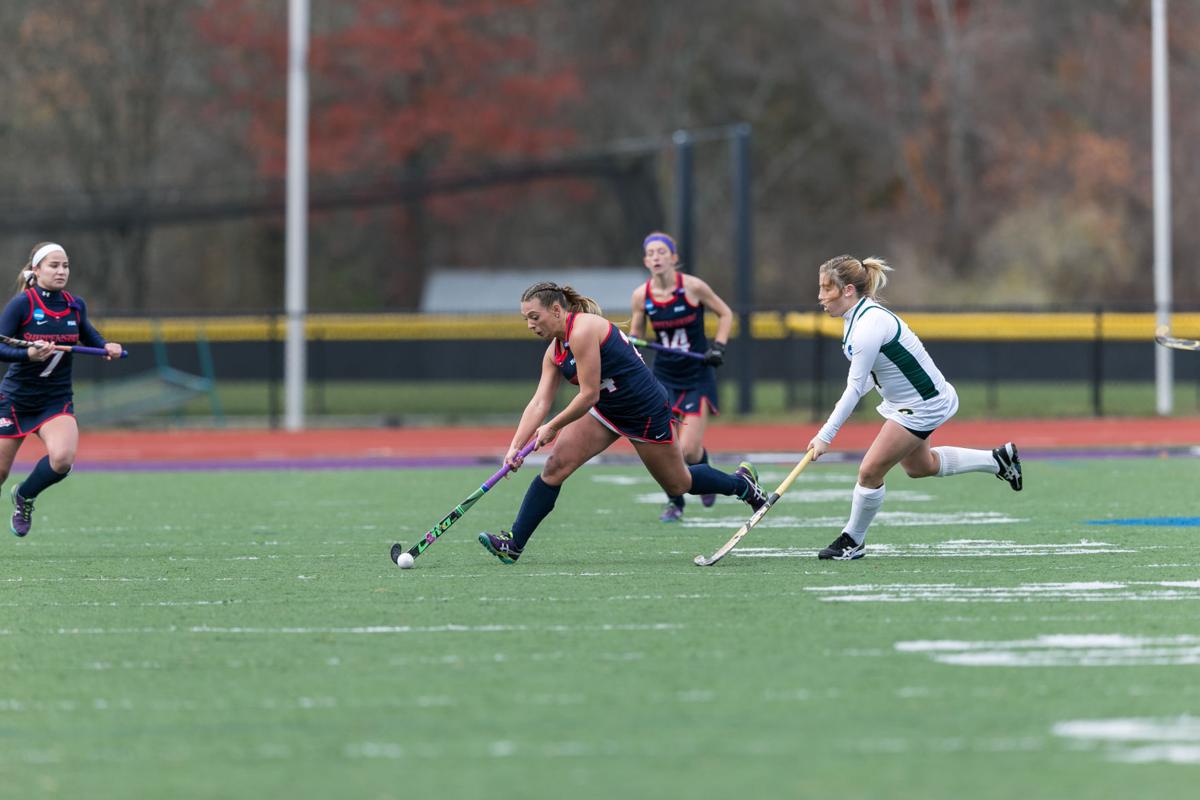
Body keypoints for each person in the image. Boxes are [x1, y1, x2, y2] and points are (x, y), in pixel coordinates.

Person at [478, 281, 766, 564]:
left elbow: (588, 394)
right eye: (525, 318)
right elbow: (539, 402)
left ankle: (741, 485)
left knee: (679, 484)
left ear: (556, 310)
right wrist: (515, 447)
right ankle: (514, 544)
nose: (529, 324)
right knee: (554, 467)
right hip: (607, 411)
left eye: (534, 316)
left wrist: (553, 426)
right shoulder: (555, 351)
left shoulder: (583, 330)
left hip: (644, 411)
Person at [805, 254, 1022, 561]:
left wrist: (825, 435)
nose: (820, 297)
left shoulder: (868, 325)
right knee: (920, 467)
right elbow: (870, 378)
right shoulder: (854, 320)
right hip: (906, 402)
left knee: (869, 471)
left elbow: (855, 388)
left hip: (923, 403)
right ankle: (998, 460)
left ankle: (852, 541)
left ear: (849, 290)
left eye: (827, 289)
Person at [0, 242, 124, 537]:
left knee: (62, 459)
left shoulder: (73, 304)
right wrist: (26, 355)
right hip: (16, 400)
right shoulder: (23, 304)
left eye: (65, 265)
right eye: (54, 265)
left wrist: (106, 346)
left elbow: (89, 335)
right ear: (36, 270)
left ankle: (25, 496)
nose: (61, 271)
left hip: (55, 399)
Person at [629, 231, 733, 522]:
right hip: (663, 378)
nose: (656, 257)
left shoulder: (693, 287)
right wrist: (630, 343)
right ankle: (675, 503)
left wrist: (718, 347)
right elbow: (637, 335)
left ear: (674, 257)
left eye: (662, 252)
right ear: (646, 261)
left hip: (697, 376)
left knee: (687, 451)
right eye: (650, 253)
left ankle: (704, 470)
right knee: (667, 450)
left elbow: (725, 314)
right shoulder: (642, 296)